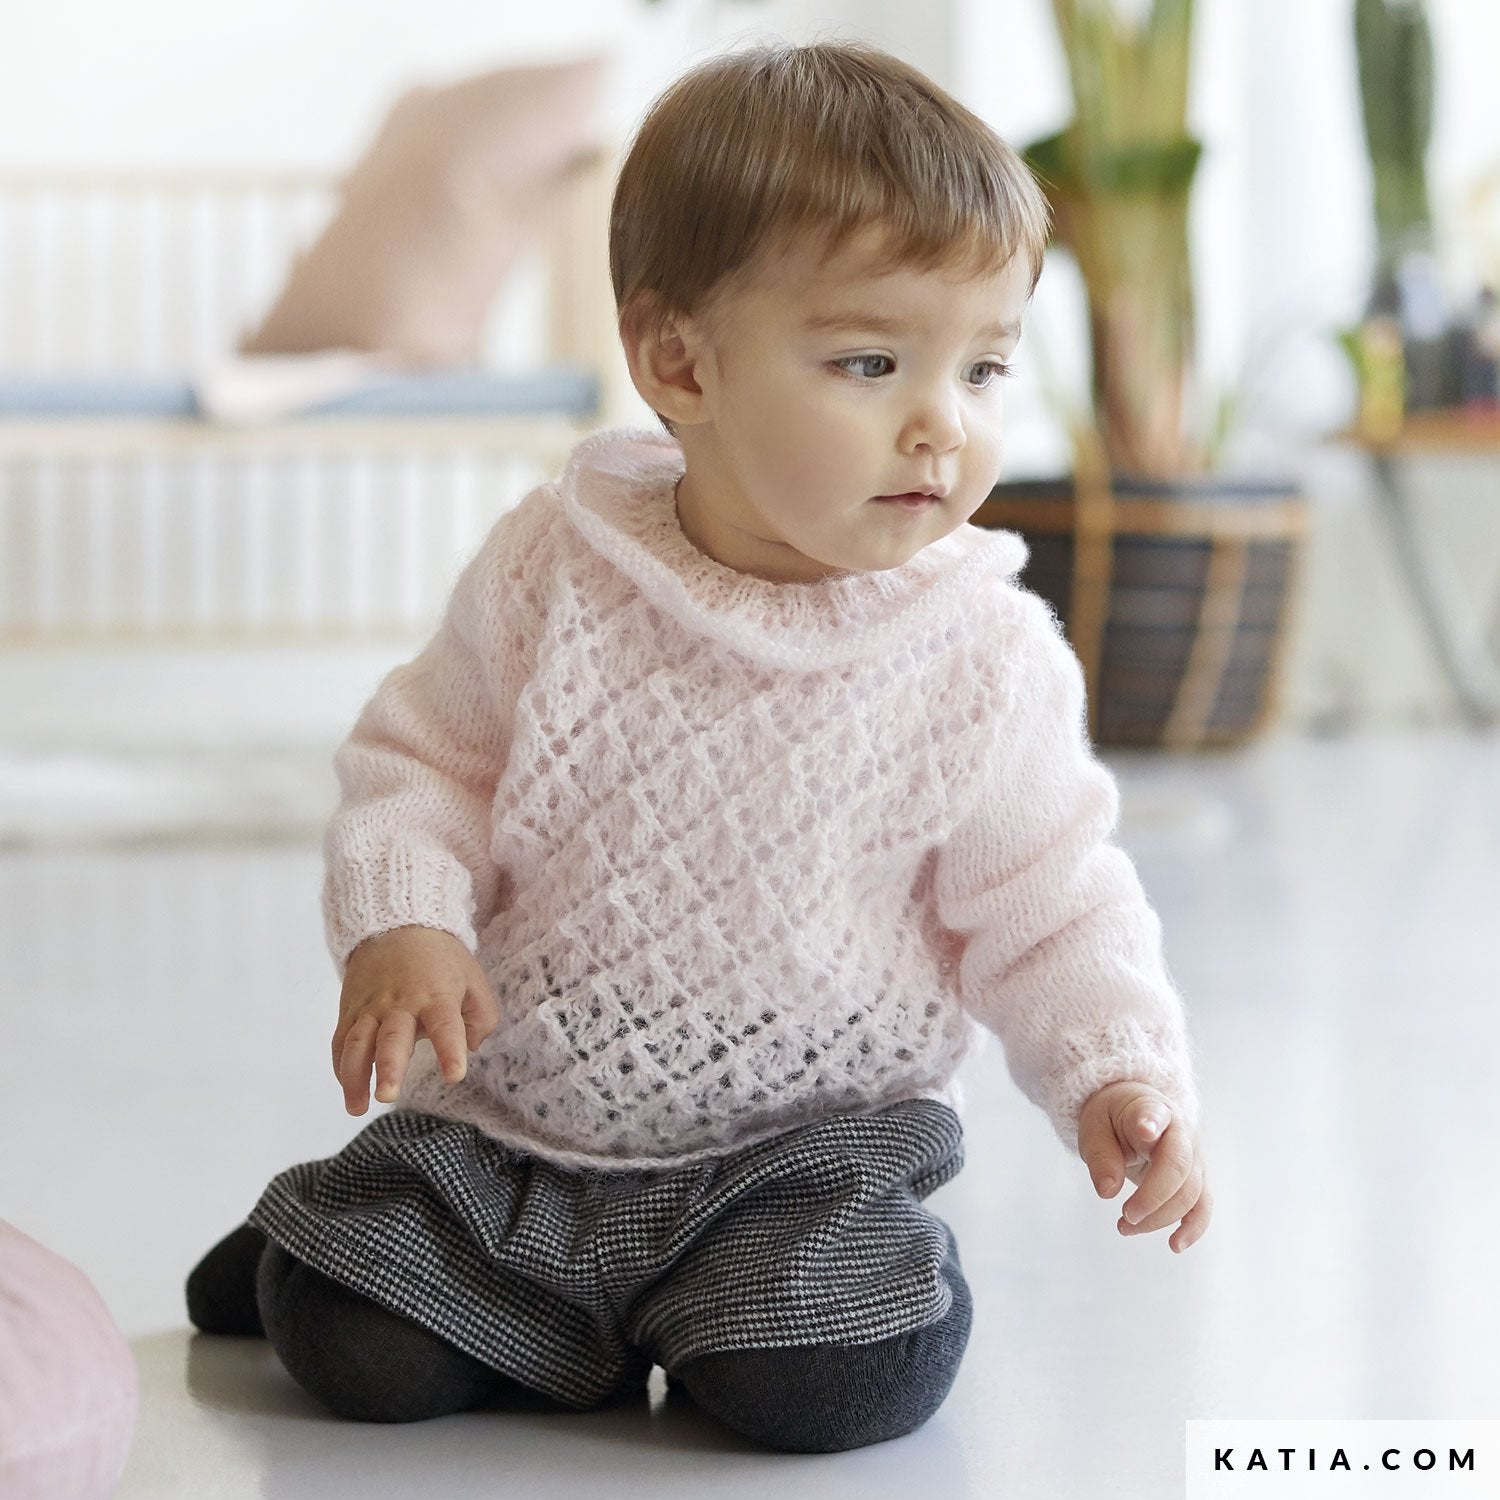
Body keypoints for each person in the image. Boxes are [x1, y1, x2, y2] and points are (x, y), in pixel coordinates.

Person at [186, 39, 1212, 1453]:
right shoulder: (557, 569)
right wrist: (405, 921)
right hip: (518, 1130)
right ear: (680, 362)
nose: (943, 424)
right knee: (360, 1353)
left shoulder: (985, 657)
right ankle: (348, 1237)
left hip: (801, 1163)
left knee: (837, 1382)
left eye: (984, 368)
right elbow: (423, 768)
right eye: (871, 362)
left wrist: (1118, 1070)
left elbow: (1052, 905)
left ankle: (588, 1293)